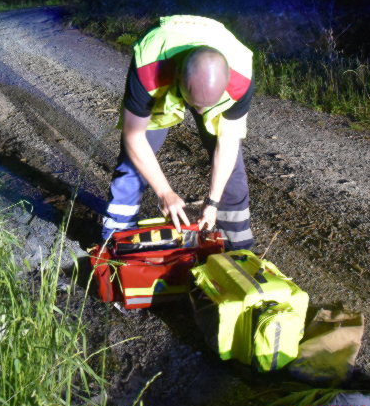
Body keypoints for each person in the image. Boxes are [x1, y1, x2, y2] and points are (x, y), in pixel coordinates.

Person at [101, 15, 255, 250]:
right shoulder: (149, 67)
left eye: (205, 107)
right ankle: (116, 238)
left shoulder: (241, 76)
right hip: (165, 66)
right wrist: (165, 193)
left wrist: (212, 202)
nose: (199, 112)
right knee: (134, 162)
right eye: (194, 104)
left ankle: (238, 247)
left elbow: (228, 142)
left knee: (232, 168)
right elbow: (134, 136)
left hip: (213, 66)